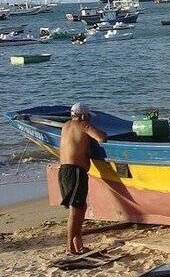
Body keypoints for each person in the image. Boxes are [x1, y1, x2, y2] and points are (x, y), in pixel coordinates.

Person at [59, 103, 107, 255]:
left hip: (64, 171)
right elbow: (101, 138)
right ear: (83, 116)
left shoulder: (65, 126)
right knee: (75, 210)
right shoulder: (84, 126)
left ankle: (78, 245)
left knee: (80, 208)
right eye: (88, 117)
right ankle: (69, 247)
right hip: (75, 172)